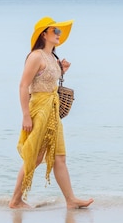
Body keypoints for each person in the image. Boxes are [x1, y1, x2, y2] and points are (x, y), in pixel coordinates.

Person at [9, 16, 94, 209]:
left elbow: (48, 82)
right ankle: (15, 200)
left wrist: (62, 70)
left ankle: (71, 200)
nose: (59, 34)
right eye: (55, 31)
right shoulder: (35, 56)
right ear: (44, 33)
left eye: (59, 31)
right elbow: (23, 86)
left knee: (59, 157)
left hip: (53, 110)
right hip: (38, 108)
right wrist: (25, 115)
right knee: (36, 156)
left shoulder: (52, 57)